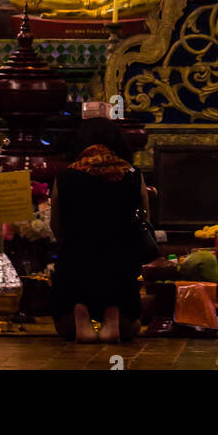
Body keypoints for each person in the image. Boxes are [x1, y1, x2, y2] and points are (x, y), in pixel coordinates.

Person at [50, 118, 150, 342]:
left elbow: (55, 224)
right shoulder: (133, 175)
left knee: (65, 326)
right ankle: (112, 314)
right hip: (121, 273)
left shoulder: (66, 176)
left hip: (73, 272)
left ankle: (80, 312)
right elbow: (144, 221)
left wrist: (70, 243)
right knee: (131, 327)